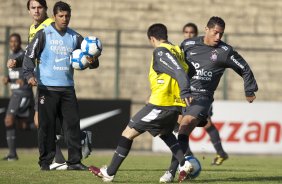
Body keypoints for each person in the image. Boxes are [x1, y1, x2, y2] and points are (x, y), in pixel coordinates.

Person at [89, 23, 194, 183]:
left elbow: (180, 72)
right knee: (165, 134)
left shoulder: (160, 51)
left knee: (128, 132)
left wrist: (185, 90)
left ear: (152, 38)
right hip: (174, 104)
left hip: (161, 103)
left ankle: (109, 173)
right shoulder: (177, 50)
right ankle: (184, 163)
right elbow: (187, 70)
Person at [160, 16, 258, 182]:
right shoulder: (188, 45)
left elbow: (244, 68)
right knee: (170, 129)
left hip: (203, 97)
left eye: (221, 34)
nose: (218, 37)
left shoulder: (225, 51)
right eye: (216, 33)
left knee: (184, 126)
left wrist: (249, 89)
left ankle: (171, 172)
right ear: (207, 29)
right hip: (182, 95)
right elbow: (175, 68)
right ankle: (187, 161)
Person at [23, 1, 99, 170]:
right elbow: (29, 56)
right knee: (46, 127)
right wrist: (29, 75)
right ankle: (45, 162)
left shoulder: (75, 37)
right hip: (47, 89)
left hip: (67, 89)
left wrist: (92, 60)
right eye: (61, 16)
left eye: (67, 16)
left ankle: (74, 162)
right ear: (54, 17)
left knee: (72, 126)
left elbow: (92, 61)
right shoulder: (44, 34)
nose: (65, 19)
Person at [181, 22, 229, 165]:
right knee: (181, 124)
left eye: (191, 32)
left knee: (205, 123)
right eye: (186, 32)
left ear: (197, 33)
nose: (189, 34)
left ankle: (217, 153)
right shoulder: (186, 49)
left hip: (202, 95)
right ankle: (189, 156)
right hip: (188, 93)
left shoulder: (206, 49)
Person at [1, 33, 34, 161]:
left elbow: (32, 71)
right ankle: (43, 125)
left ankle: (12, 154)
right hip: (15, 94)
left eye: (16, 41)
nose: (13, 44)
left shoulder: (24, 56)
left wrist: (25, 81)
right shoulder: (10, 56)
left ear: (20, 43)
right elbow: (15, 76)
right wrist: (8, 79)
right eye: (11, 41)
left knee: (8, 120)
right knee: (23, 126)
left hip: (23, 94)